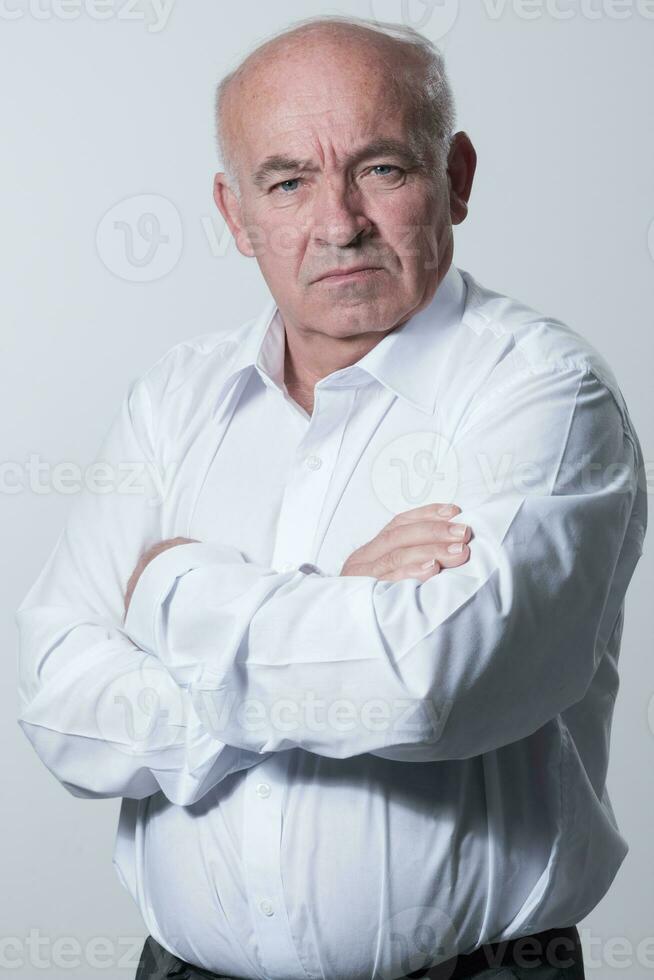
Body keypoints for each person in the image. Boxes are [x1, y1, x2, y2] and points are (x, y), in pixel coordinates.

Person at [16, 14, 647, 980]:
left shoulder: (544, 391)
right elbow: (61, 709)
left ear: (458, 178)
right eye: (288, 181)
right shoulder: (174, 399)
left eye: (383, 168)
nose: (338, 221)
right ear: (235, 214)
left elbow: (428, 685)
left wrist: (172, 591)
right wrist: (335, 599)